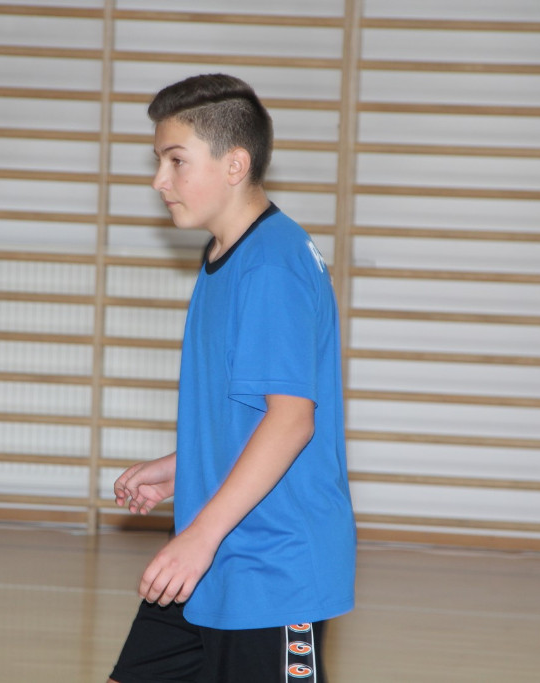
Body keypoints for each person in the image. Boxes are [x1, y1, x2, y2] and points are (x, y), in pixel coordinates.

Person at [107, 73, 356, 683]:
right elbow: (250, 409)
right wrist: (185, 464)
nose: (159, 180)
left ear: (234, 164)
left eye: (175, 161)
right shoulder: (228, 252)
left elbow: (292, 421)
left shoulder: (271, 264)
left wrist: (200, 536)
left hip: (270, 570)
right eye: (158, 161)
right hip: (214, 557)